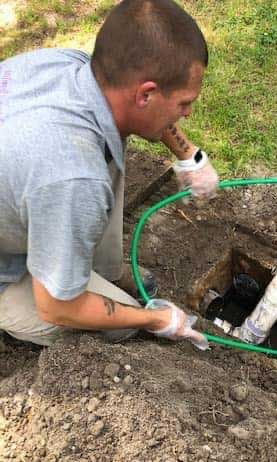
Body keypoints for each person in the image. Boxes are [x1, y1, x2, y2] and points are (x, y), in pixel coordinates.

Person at [0, 0, 218, 347]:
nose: (188, 113)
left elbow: (132, 107)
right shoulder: (73, 176)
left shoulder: (70, 67)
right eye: (183, 103)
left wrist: (188, 155)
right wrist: (157, 318)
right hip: (9, 264)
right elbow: (57, 307)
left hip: (24, 190)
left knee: (108, 146)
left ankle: (100, 270)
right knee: (123, 324)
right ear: (146, 94)